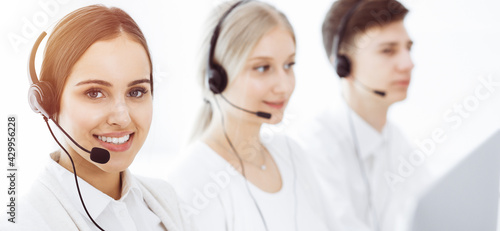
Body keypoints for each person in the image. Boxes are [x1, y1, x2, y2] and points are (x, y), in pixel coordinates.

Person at [2, 5, 190, 231]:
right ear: (48, 104)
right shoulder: (25, 223)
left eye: (136, 92)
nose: (121, 118)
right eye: (94, 93)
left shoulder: (165, 199)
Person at [166, 1, 328, 231]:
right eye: (262, 68)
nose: (284, 86)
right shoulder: (192, 181)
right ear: (217, 78)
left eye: (288, 65)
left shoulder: (293, 154)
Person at [291, 0, 421, 230]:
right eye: (387, 50)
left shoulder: (397, 140)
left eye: (408, 48)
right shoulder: (314, 147)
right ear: (343, 65)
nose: (408, 63)